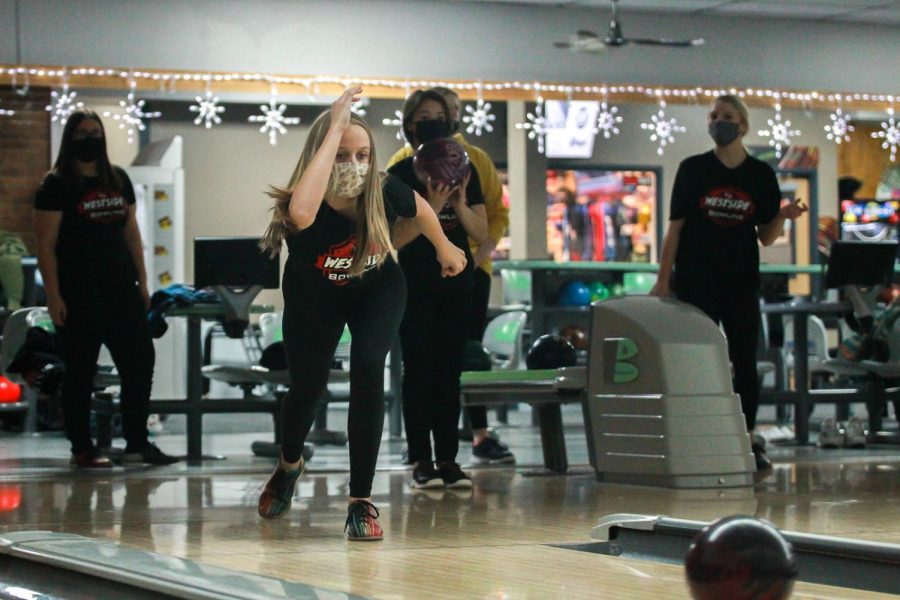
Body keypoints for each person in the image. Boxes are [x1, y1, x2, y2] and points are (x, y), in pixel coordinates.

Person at [257, 86, 467, 541]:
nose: (354, 165)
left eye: (363, 155)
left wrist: (445, 246)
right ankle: (289, 465)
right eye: (341, 154)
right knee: (307, 391)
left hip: (377, 288)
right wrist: (335, 125)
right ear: (322, 154)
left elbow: (423, 210)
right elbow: (303, 210)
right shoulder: (304, 199)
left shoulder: (384, 188)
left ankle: (361, 501)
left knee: (369, 366)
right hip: (315, 299)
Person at [650, 94, 807, 472]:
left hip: (740, 281)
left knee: (744, 362)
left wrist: (784, 215)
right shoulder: (692, 170)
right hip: (695, 280)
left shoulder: (760, 175)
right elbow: (676, 227)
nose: (718, 121)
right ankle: (695, 435)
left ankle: (747, 437)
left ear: (743, 125)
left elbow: (766, 236)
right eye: (713, 115)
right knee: (697, 362)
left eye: (727, 116)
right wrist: (662, 280)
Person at [33, 109, 178, 468]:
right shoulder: (55, 185)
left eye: (94, 132)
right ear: (70, 138)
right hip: (78, 293)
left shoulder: (117, 179)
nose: (89, 138)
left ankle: (136, 443)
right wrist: (53, 295)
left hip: (121, 289)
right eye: (82, 132)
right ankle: (82, 446)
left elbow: (131, 231)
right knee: (80, 369)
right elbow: (45, 244)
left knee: (140, 361)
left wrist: (143, 281)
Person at [387, 86, 514, 465]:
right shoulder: (398, 173)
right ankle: (422, 460)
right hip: (414, 284)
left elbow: (481, 230)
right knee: (418, 372)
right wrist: (432, 206)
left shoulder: (467, 168)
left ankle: (448, 461)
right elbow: (395, 239)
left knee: (449, 372)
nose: (433, 125)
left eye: (439, 118)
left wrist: (457, 206)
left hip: (456, 284)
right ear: (410, 125)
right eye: (423, 119)